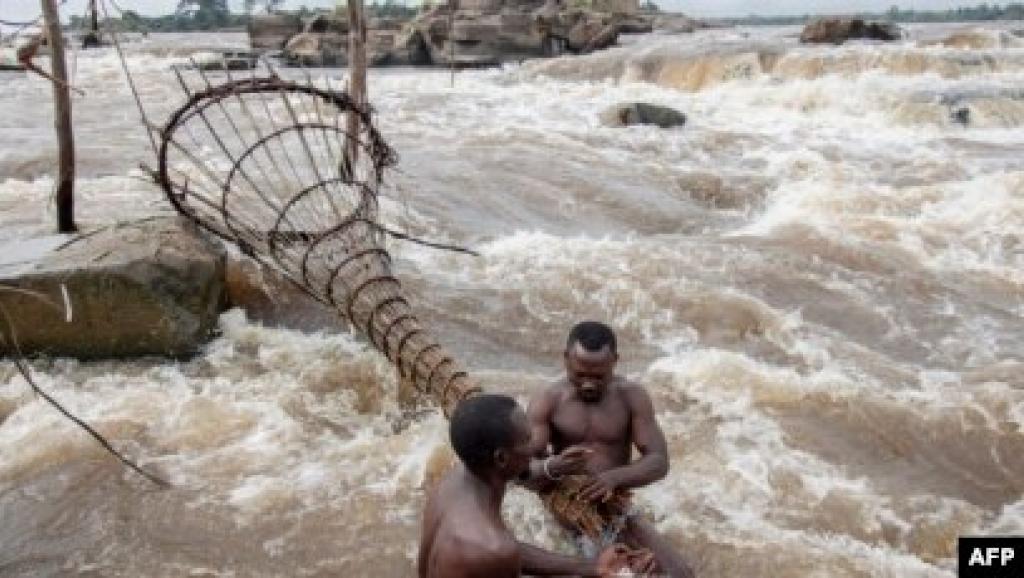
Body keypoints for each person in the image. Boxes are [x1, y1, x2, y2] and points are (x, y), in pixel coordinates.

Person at [418, 393, 656, 578]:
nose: (534, 447)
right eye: (527, 440)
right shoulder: (491, 549)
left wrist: (593, 567)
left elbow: (509, 552)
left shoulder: (452, 484)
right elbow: (498, 553)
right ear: (501, 458)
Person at [525, 321, 695, 578]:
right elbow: (521, 470)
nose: (589, 384)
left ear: (615, 361)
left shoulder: (631, 396)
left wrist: (613, 479)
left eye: (598, 377)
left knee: (678, 573)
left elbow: (658, 461)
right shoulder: (548, 399)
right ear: (566, 359)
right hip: (567, 510)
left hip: (615, 509)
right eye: (580, 375)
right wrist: (554, 467)